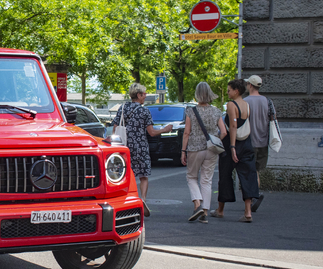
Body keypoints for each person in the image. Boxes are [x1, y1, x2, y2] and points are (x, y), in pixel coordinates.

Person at [111, 83, 173, 217]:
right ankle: (143, 200)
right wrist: (165, 129)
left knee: (126, 175)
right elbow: (151, 132)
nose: (145, 96)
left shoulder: (123, 108)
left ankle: (126, 201)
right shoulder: (144, 111)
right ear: (138, 95)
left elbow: (115, 129)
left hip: (124, 147)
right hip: (140, 147)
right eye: (144, 94)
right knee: (143, 176)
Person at [210, 79, 259, 222]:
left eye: (229, 89)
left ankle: (220, 210)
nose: (227, 92)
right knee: (248, 176)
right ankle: (248, 212)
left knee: (225, 175)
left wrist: (232, 147)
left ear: (236, 91)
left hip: (232, 144)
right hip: (247, 144)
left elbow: (232, 126)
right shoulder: (247, 105)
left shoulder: (232, 105)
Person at [181, 82, 227, 223]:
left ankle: (197, 205)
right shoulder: (216, 111)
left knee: (191, 177)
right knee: (206, 180)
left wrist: (183, 150)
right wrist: (216, 140)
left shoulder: (191, 111)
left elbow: (187, 132)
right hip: (211, 149)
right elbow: (224, 131)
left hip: (195, 148)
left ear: (197, 94)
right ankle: (205, 212)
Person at [244, 75, 275, 212]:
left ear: (250, 85)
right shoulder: (268, 102)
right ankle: (254, 197)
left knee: (248, 172)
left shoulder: (245, 102)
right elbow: (272, 119)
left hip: (249, 142)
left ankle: (252, 198)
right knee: (256, 171)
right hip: (263, 142)